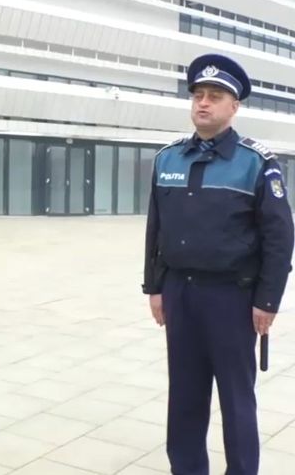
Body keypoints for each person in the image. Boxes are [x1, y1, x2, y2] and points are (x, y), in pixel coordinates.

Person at [143, 53, 294, 475]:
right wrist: (154, 288)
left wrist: (267, 300)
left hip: (232, 298)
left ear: (234, 106)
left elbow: (280, 238)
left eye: (214, 96)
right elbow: (156, 229)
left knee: (236, 399)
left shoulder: (256, 163)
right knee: (184, 396)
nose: (203, 103)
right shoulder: (168, 159)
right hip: (180, 293)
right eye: (198, 96)